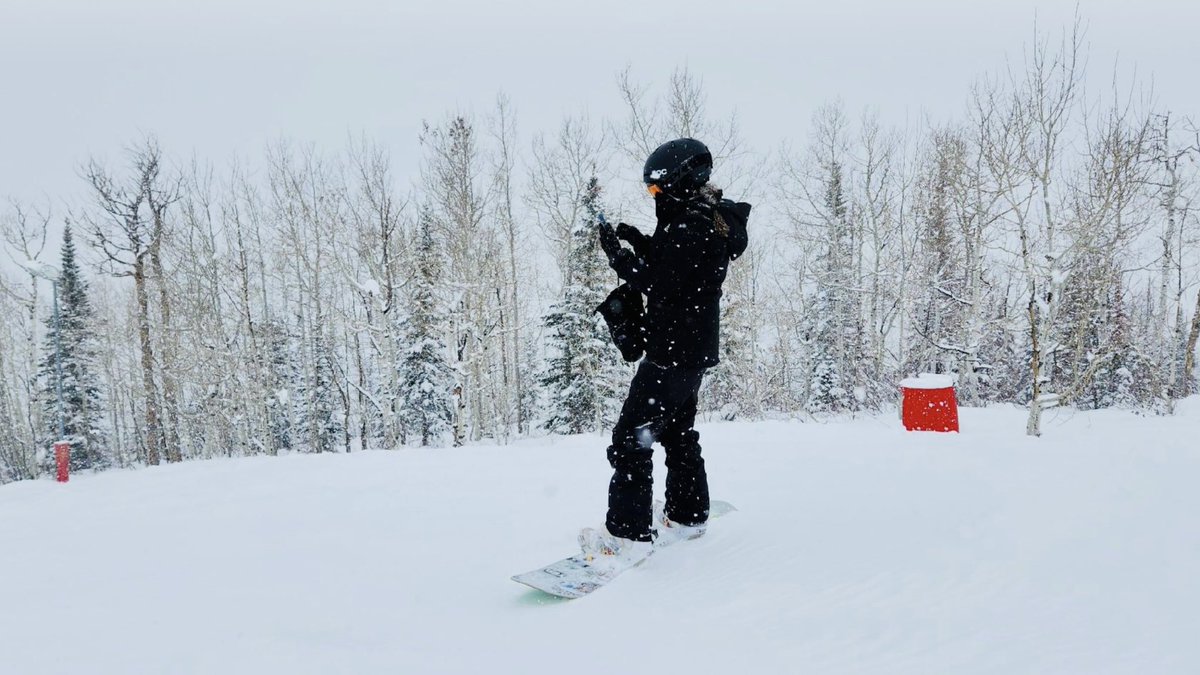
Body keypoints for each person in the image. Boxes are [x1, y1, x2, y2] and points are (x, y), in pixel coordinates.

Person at [581, 138, 751, 566]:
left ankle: (629, 535)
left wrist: (619, 258)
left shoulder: (691, 226)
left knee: (629, 441)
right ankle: (687, 515)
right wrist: (638, 240)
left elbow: (660, 283)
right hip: (689, 352)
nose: (654, 198)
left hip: (671, 354)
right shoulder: (702, 219)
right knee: (676, 433)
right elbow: (676, 269)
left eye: (656, 191)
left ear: (678, 181)